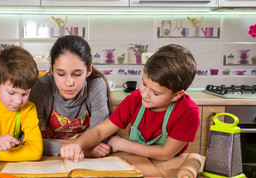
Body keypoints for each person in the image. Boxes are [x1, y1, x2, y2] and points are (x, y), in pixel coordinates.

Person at [60, 44, 200, 162]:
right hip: (137, 161)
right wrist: (78, 145)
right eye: (144, 84)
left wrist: (119, 143)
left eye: (155, 93)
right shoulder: (135, 100)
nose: (145, 94)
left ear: (177, 95)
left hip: (168, 166)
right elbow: (100, 131)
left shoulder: (188, 112)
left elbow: (165, 153)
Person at [29, 35, 113, 158]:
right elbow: (28, 140)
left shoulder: (96, 85)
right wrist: (77, 149)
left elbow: (101, 135)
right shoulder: (41, 86)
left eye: (77, 74)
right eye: (61, 74)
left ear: (89, 70)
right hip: (50, 158)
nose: (69, 83)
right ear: (51, 69)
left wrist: (71, 147)